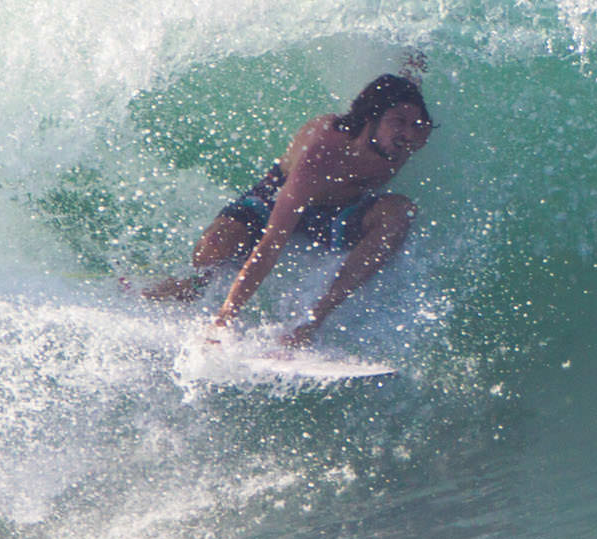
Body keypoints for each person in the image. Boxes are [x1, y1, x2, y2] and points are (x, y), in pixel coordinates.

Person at [141, 74, 435, 347]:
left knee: (400, 212)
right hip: (278, 196)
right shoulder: (323, 152)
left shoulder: (410, 133)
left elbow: (407, 92)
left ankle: (311, 322)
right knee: (213, 250)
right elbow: (271, 245)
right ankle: (193, 284)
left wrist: (413, 60)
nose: (408, 134)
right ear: (371, 117)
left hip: (339, 210)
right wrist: (224, 320)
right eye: (398, 122)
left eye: (415, 124)